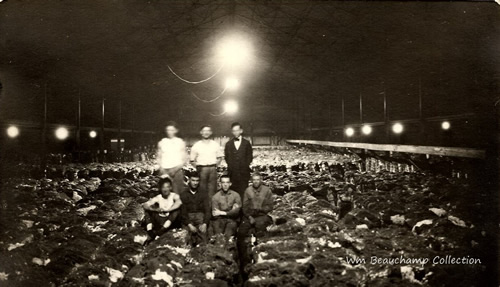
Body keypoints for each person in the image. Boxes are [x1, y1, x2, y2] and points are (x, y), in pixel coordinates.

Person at [236, 172, 274, 280]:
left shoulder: (267, 191)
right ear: (252, 180)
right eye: (254, 180)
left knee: (261, 233)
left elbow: (270, 206)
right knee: (241, 233)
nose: (256, 182)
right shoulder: (248, 191)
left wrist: (260, 211)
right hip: (250, 217)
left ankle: (261, 258)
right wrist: (249, 217)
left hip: (262, 216)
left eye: (258, 179)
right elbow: (245, 207)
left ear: (261, 180)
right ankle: (242, 261)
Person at [190, 125, 223, 200]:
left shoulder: (215, 144)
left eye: (208, 131)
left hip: (212, 169)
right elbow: (192, 160)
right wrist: (199, 168)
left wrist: (214, 166)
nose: (206, 133)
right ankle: (204, 210)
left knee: (212, 191)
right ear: (201, 132)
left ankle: (212, 209)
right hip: (201, 169)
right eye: (204, 131)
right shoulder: (196, 145)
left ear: (211, 132)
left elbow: (220, 157)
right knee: (202, 191)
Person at [180, 172, 210, 246]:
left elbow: (207, 210)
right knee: (186, 237)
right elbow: (183, 212)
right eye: (193, 180)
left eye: (197, 181)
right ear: (189, 180)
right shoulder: (183, 194)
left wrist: (205, 223)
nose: (195, 183)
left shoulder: (203, 193)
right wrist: (189, 225)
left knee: (203, 238)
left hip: (200, 217)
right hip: (188, 218)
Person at [157, 121, 187, 194]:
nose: (170, 132)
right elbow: (159, 157)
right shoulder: (162, 142)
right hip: (165, 171)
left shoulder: (180, 142)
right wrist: (162, 170)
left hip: (177, 171)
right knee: (165, 194)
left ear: (176, 131)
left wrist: (175, 169)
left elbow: (184, 159)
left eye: (172, 130)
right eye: (168, 130)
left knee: (177, 194)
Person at [224, 122, 253, 197]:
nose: (235, 132)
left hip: (243, 173)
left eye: (237, 130)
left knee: (243, 193)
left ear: (241, 131)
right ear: (232, 132)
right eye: (234, 131)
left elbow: (249, 157)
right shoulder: (228, 144)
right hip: (232, 173)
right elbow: (226, 157)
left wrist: (244, 166)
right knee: (232, 193)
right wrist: (232, 167)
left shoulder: (246, 143)